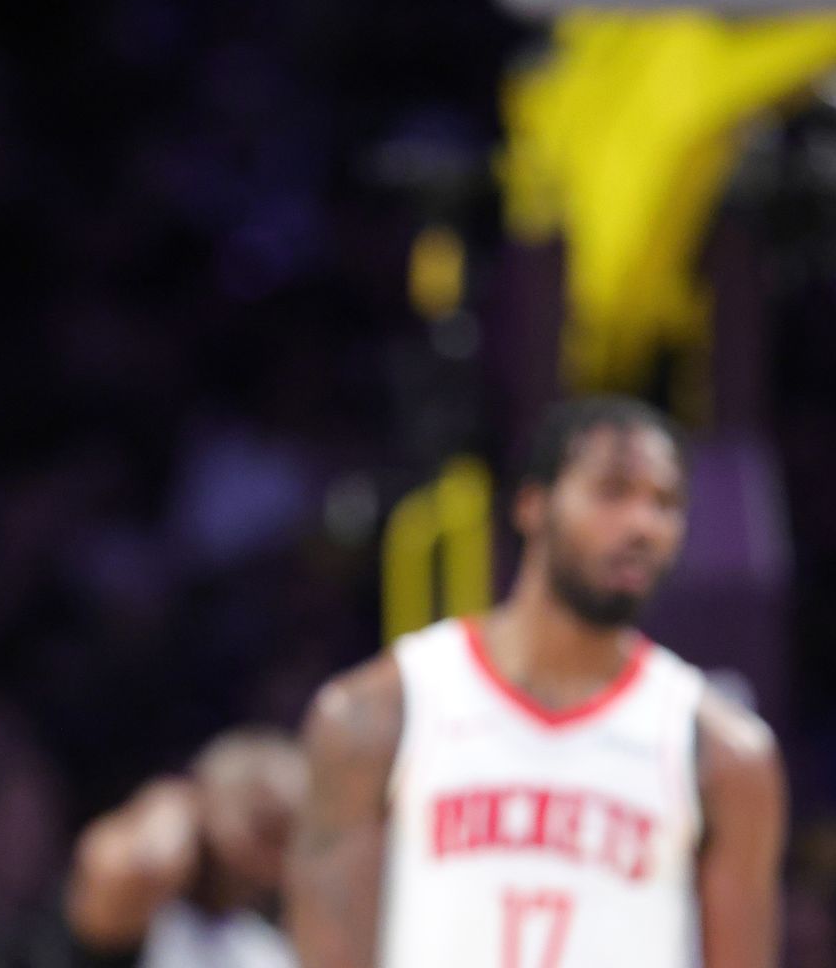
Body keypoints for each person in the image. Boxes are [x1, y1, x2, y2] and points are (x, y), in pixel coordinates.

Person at [285, 396, 786, 968]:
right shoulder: (379, 713)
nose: (642, 525)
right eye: (612, 492)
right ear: (532, 506)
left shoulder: (724, 753)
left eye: (665, 504)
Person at [67, 728, 305, 968]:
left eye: (288, 840)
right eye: (263, 829)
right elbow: (143, 865)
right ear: (203, 800)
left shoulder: (263, 943)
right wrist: (170, 804)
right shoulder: (148, 904)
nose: (271, 862)